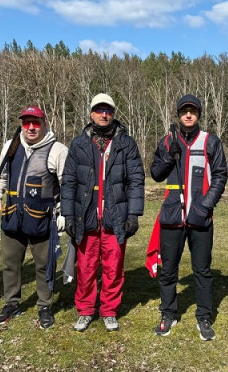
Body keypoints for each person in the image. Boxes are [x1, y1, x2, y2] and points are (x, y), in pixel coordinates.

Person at [147, 94, 228, 341]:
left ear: (199, 114)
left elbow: (221, 176)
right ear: (178, 115)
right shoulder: (167, 141)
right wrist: (168, 156)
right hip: (172, 217)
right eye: (184, 111)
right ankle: (167, 314)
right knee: (169, 270)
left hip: (201, 218)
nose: (189, 115)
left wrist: (204, 206)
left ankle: (204, 316)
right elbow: (156, 175)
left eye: (193, 111)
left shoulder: (210, 142)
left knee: (202, 270)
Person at [61, 93, 145, 332]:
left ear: (113, 113)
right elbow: (68, 181)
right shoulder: (79, 143)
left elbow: (136, 179)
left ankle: (109, 310)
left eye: (107, 110)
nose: (103, 114)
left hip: (115, 215)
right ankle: (86, 310)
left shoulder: (125, 143)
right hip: (85, 216)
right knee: (85, 268)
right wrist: (68, 215)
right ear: (91, 114)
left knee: (113, 267)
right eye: (99, 110)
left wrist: (133, 214)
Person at [0, 105, 68, 328]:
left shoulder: (58, 150)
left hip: (43, 217)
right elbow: (1, 176)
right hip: (12, 215)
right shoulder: (11, 146)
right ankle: (11, 303)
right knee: (10, 263)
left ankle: (45, 306)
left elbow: (67, 185)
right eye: (26, 123)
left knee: (44, 265)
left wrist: (63, 213)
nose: (31, 128)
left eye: (36, 123)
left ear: (44, 124)